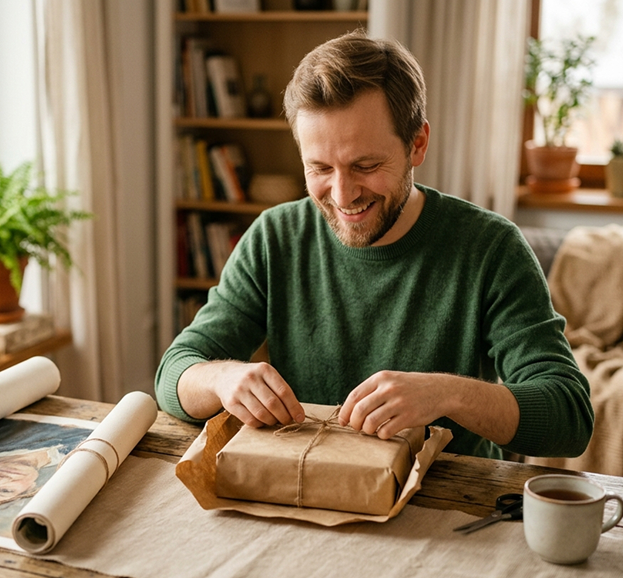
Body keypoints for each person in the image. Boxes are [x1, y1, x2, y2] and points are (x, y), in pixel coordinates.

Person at [155, 31, 593, 459]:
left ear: (417, 144)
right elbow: (173, 373)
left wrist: (447, 394)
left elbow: (570, 417)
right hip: (304, 493)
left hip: (447, 509)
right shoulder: (274, 238)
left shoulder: (491, 248)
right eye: (320, 168)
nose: (342, 195)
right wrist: (222, 379)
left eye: (365, 165)